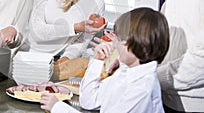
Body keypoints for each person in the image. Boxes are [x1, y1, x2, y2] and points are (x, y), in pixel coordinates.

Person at [40, 7, 169, 113]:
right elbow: (89, 101)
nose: (114, 44)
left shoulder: (142, 88)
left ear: (128, 44)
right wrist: (97, 61)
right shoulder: (125, 72)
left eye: (117, 39)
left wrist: (58, 108)